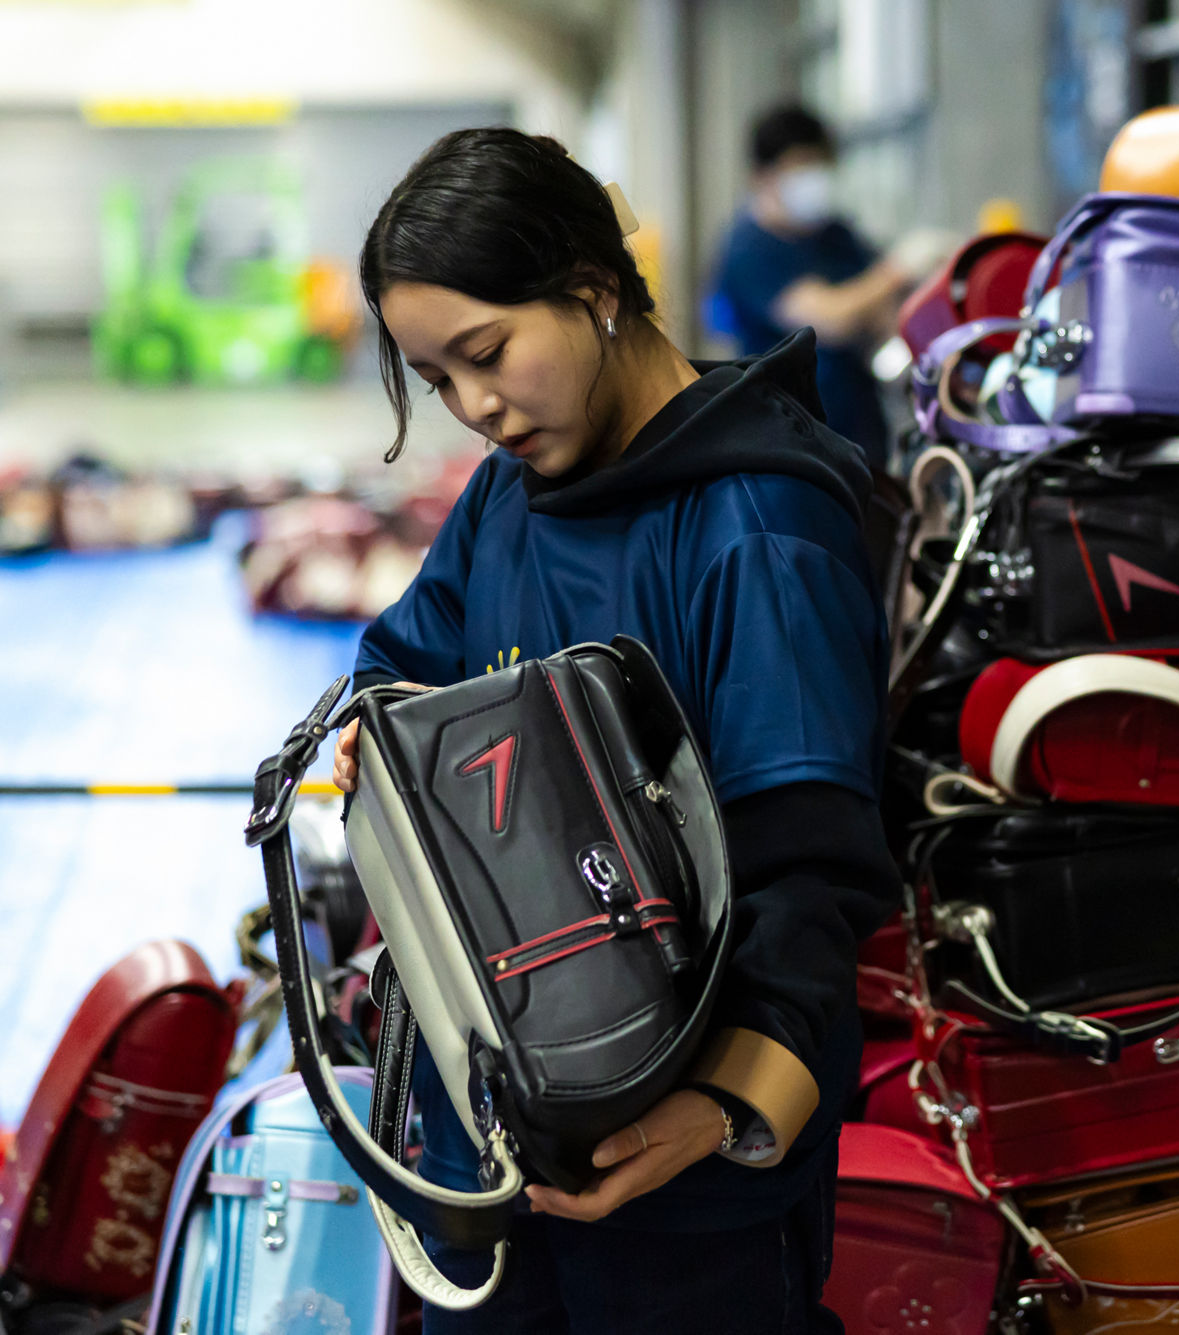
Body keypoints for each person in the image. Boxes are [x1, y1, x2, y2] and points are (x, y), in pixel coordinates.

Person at [328, 126, 900, 1333]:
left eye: (487, 354)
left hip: (678, 1186)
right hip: (494, 1130)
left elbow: (813, 870)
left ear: (593, 291)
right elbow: (402, 660)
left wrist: (721, 1112)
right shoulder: (510, 495)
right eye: (437, 381)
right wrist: (376, 731)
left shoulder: (755, 528)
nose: (476, 409)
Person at [711, 104, 932, 468]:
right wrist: (899, 269)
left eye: (821, 163)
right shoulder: (749, 249)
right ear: (762, 176)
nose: (814, 178)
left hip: (859, 431)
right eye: (801, 166)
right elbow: (829, 320)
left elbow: (884, 309)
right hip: (788, 440)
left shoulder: (835, 234)